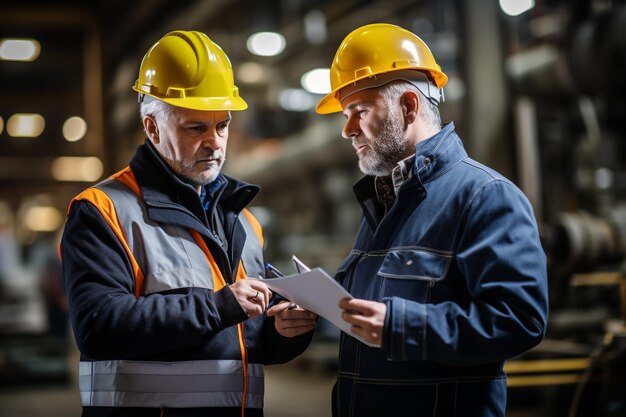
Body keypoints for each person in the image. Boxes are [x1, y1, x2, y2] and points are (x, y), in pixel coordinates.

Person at [61, 30, 317, 417]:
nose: (214, 142)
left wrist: (282, 334)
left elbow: (242, 344)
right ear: (152, 128)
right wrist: (218, 306)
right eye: (196, 128)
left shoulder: (244, 222)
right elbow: (99, 327)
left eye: (222, 126)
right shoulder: (104, 210)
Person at [315, 23, 549, 417]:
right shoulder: (384, 200)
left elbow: (519, 319)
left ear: (408, 106)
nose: (347, 129)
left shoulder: (485, 196)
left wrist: (400, 327)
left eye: (358, 111)